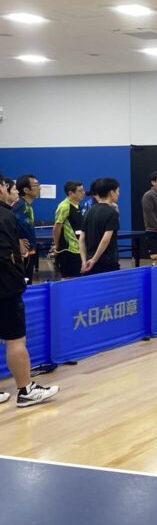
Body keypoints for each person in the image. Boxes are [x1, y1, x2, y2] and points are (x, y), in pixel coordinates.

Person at [0, 169, 59, 407]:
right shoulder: (6, 216)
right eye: (9, 187)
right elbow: (5, 255)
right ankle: (25, 390)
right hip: (5, 289)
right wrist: (19, 280)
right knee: (16, 340)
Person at [80, 178, 121, 275]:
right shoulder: (112, 213)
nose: (118, 194)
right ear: (111, 193)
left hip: (89, 262)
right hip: (107, 262)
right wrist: (94, 260)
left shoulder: (89, 211)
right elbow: (105, 239)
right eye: (118, 191)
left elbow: (81, 238)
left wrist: (84, 261)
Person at [52, 181, 85, 278]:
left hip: (78, 248)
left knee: (78, 277)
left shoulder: (77, 205)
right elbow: (56, 228)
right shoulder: (64, 206)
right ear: (71, 193)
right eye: (80, 191)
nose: (83, 193)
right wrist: (57, 246)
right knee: (68, 278)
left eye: (83, 190)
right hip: (68, 250)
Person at [12, 174, 40, 283]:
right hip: (23, 254)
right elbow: (8, 224)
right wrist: (18, 240)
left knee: (28, 282)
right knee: (23, 284)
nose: (39, 188)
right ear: (26, 190)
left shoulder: (28, 205)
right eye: (36, 185)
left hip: (30, 252)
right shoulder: (19, 205)